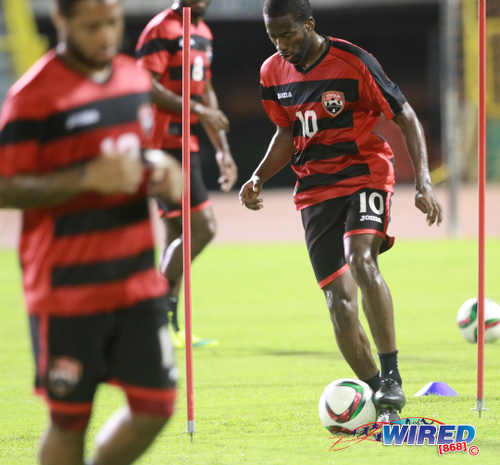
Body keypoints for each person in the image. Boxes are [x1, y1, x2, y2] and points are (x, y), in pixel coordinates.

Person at [240, 0, 443, 423]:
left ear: (309, 25)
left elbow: (404, 115)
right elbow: (285, 131)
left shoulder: (353, 62)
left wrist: (423, 180)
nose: (281, 46)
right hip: (314, 190)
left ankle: (392, 376)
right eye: (272, 37)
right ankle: (377, 396)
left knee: (361, 261)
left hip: (364, 174)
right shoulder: (271, 72)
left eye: (288, 35)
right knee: (337, 300)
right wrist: (257, 177)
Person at [0, 1, 183, 464]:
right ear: (61, 21)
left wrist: (160, 168)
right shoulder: (34, 95)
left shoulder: (132, 78)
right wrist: (83, 180)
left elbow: (133, 158)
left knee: (156, 406)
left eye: (113, 23)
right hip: (67, 290)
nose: (105, 36)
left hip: (138, 281)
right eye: (91, 26)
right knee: (69, 419)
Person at [136, 0, 238, 348]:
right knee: (204, 227)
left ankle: (166, 329)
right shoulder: (160, 29)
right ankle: (149, 316)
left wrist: (222, 148)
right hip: (162, 146)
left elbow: (205, 89)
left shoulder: (203, 32)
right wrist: (198, 110)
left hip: (187, 144)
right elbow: (145, 85)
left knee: (176, 234)